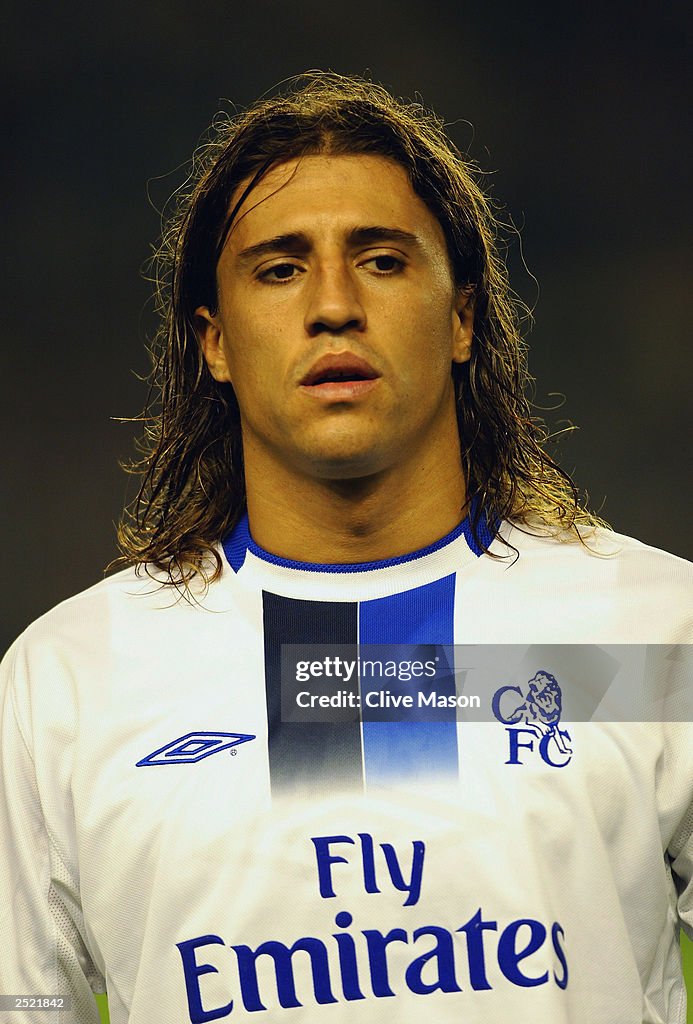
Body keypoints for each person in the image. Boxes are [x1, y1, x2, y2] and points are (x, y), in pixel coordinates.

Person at [1, 71, 691, 1024]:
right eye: (280, 269)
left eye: (380, 260)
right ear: (215, 343)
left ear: (461, 318)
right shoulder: (67, 684)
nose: (332, 305)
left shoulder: (652, 629)